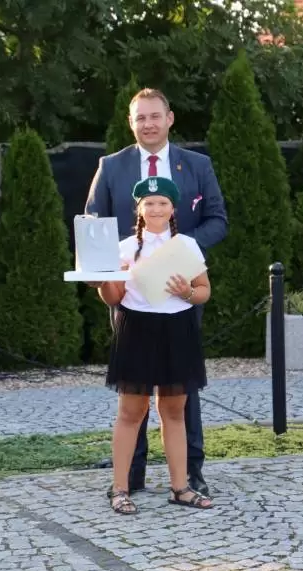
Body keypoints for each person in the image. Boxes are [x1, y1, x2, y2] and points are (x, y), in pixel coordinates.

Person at [85, 88, 228, 497]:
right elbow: (93, 222)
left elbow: (218, 220)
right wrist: (104, 268)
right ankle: (130, 476)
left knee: (181, 389)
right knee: (134, 389)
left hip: (179, 292)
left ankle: (190, 473)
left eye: (154, 116)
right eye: (140, 117)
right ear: (131, 123)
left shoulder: (197, 165)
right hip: (130, 298)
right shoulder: (111, 166)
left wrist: (179, 254)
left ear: (170, 119)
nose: (148, 124)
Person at [96, 176, 213, 514]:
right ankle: (120, 489)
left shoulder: (187, 245)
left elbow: (204, 290)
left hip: (178, 329)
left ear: (173, 208)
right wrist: (104, 280)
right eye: (149, 203)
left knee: (174, 412)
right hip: (137, 329)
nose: (156, 209)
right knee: (131, 412)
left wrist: (186, 293)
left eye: (163, 203)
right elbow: (113, 298)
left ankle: (180, 488)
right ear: (139, 209)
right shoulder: (124, 248)